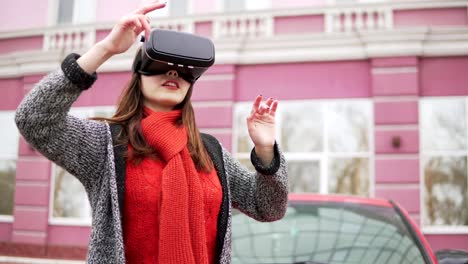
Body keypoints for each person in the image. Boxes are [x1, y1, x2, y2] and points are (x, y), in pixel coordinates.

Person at [15, 1, 288, 264]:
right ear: (139, 75)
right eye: (159, 65)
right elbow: (33, 119)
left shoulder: (209, 151)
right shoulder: (106, 144)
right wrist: (106, 49)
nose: (173, 72)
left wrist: (266, 151)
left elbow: (268, 207)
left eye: (185, 70)